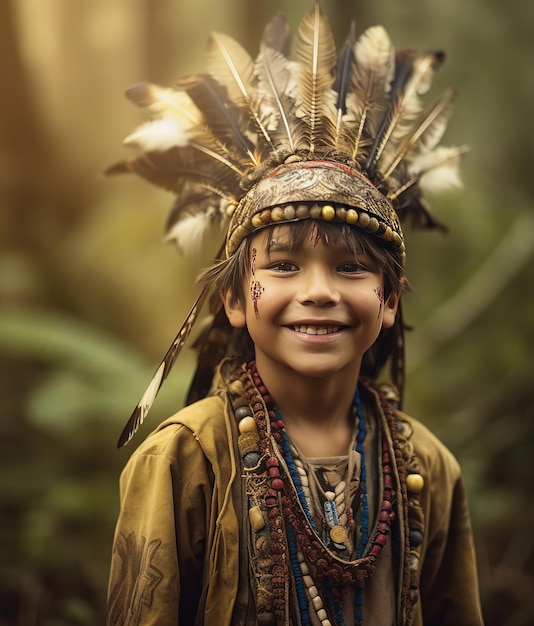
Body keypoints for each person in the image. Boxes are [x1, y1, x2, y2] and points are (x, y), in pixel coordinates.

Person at [106, 3, 483, 625]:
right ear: (233, 299)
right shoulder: (183, 462)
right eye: (282, 266)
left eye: (351, 268)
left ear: (388, 301)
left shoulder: (428, 470)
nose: (318, 291)